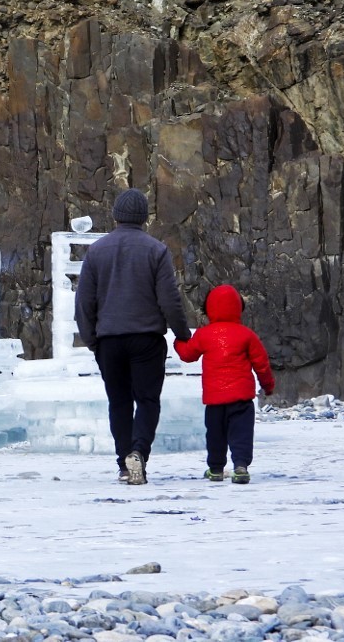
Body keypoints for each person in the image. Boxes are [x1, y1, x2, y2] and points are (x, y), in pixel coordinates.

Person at [75, 188, 192, 485]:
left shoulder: (97, 251)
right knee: (148, 400)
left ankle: (124, 464)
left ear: (115, 216)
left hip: (109, 339)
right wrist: (181, 333)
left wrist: (92, 340)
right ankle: (139, 452)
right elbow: (169, 299)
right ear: (144, 218)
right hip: (147, 339)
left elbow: (84, 302)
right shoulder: (156, 250)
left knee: (119, 403)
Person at [173, 284, 275, 484]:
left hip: (215, 399)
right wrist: (268, 386)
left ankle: (216, 469)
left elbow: (187, 355)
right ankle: (241, 466)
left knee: (215, 435)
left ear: (210, 308)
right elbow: (262, 364)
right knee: (242, 434)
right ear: (238, 307)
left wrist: (178, 340)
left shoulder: (204, 335)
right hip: (242, 398)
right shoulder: (247, 335)